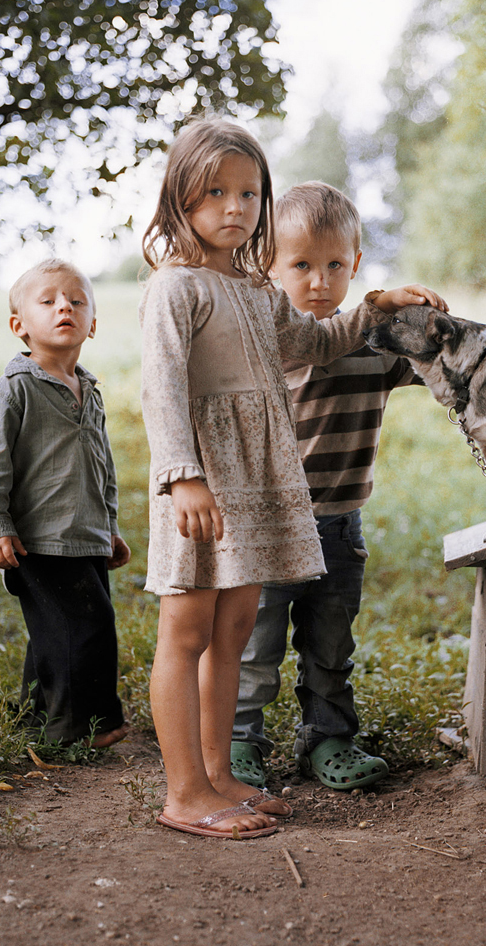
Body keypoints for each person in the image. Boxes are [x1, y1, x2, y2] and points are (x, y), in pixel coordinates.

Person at [139, 118, 445, 840]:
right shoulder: (176, 289)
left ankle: (221, 776)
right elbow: (161, 387)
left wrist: (374, 308)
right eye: (214, 191)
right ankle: (184, 791)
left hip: (260, 478)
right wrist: (184, 477)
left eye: (249, 192)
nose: (235, 207)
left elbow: (313, 341)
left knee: (234, 626)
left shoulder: (252, 286)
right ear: (180, 196)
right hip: (207, 480)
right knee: (187, 629)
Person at [230, 182, 486, 793]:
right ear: (270, 266)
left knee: (330, 643)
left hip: (338, 524)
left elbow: (456, 353)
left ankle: (328, 738)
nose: (319, 280)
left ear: (355, 266)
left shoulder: (376, 347)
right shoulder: (269, 342)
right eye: (300, 265)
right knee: (258, 642)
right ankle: (240, 740)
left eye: (334, 265)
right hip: (270, 523)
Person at [0, 259, 131, 749]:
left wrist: (108, 526)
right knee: (87, 626)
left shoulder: (91, 393)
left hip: (83, 534)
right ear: (20, 325)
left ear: (93, 323)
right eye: (49, 301)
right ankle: (80, 728)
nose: (65, 306)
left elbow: (101, 465)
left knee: (56, 629)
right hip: (39, 538)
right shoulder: (13, 391)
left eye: (77, 300)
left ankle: (37, 717)